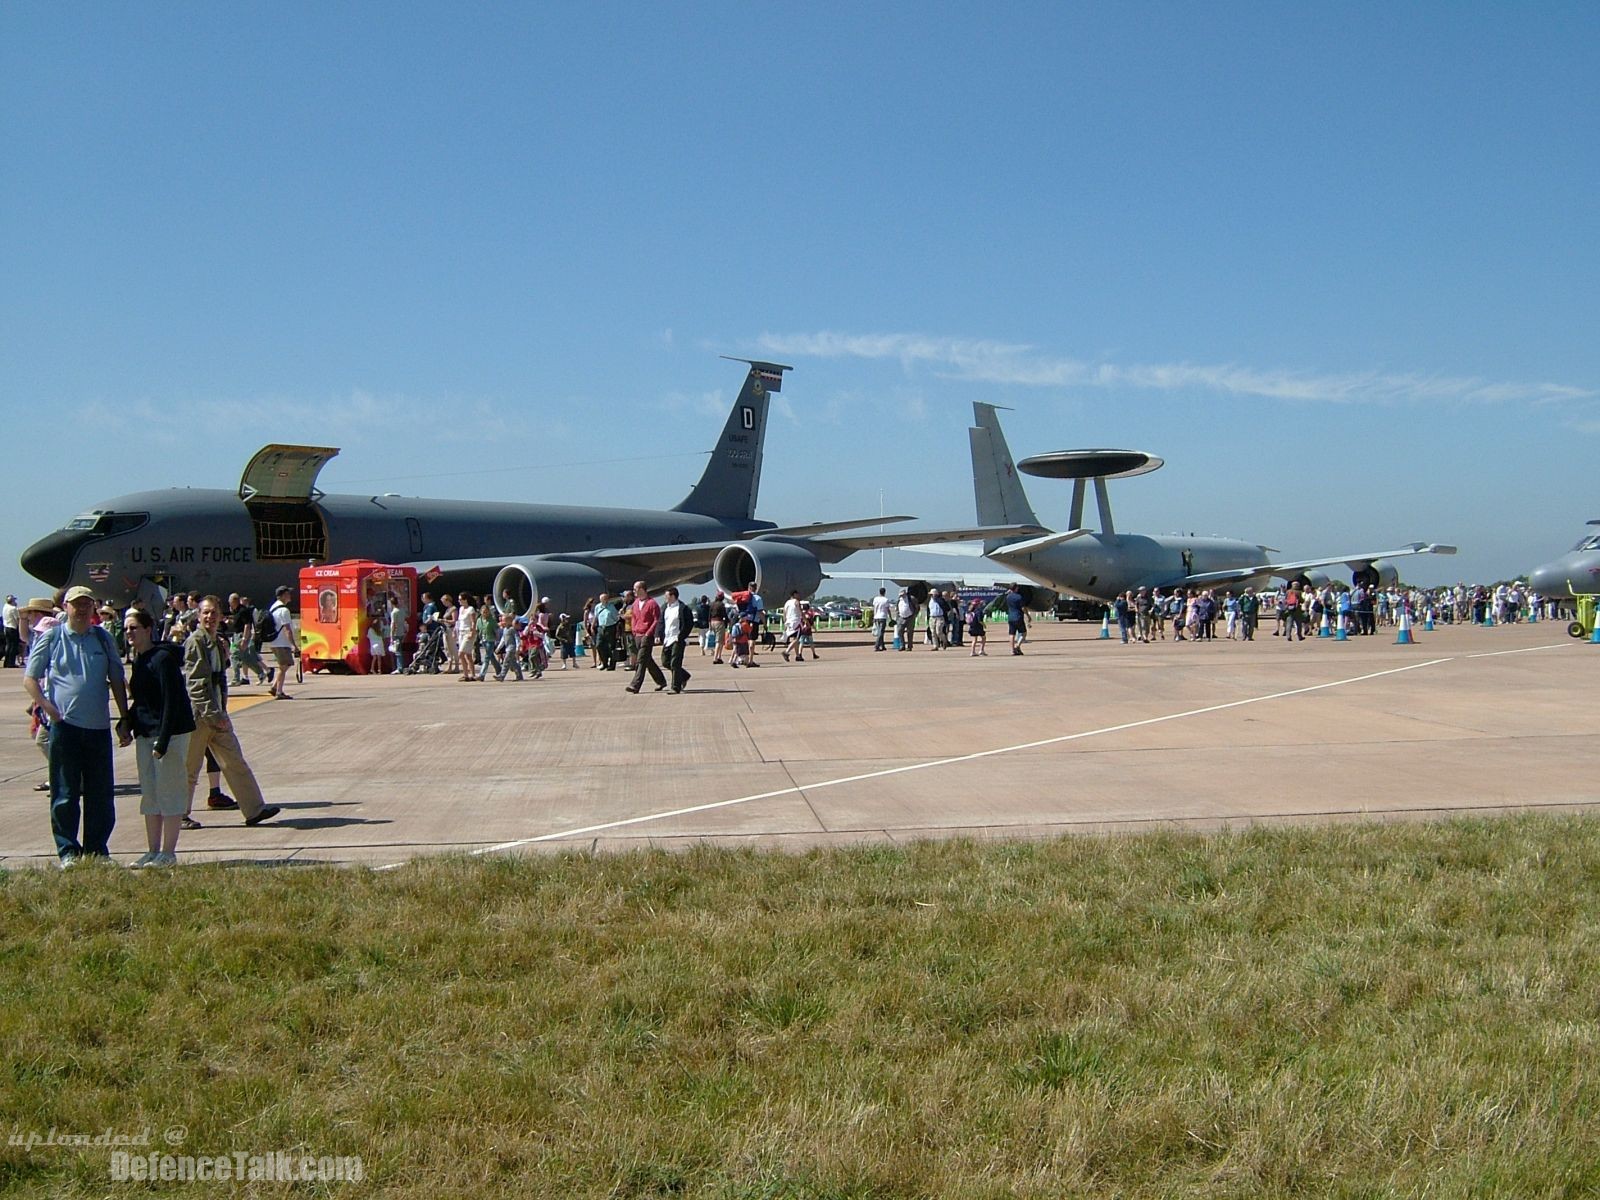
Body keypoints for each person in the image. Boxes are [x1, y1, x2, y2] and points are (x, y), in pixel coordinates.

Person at [25, 586, 131, 867]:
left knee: (100, 794)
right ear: (66, 607)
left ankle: (97, 849)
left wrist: (124, 717)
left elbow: (117, 680)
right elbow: (30, 678)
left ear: (93, 608)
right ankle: (68, 851)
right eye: (76, 604)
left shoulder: (103, 639)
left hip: (97, 729)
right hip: (65, 729)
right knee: (65, 793)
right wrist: (46, 707)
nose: (82, 609)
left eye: (87, 604)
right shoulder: (52, 637)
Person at [183, 596, 281, 827]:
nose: (210, 617)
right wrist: (214, 715)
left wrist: (220, 713)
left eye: (214, 612)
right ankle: (178, 814)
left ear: (221, 615)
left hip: (217, 714)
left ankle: (254, 809)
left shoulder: (216, 641)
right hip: (200, 716)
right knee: (189, 767)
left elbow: (219, 680)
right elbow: (196, 683)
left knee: (234, 761)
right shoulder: (195, 642)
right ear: (198, 616)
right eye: (205, 612)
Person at [123, 607, 195, 867]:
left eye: (134, 627)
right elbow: (142, 701)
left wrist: (163, 741)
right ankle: (152, 851)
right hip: (146, 733)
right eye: (126, 628)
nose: (129, 632)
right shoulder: (139, 660)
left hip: (170, 735)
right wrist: (127, 723)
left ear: (147, 630)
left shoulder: (163, 659)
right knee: (150, 794)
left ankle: (169, 852)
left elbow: (171, 701)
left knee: (170, 792)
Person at [625, 580, 666, 693]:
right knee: (648, 660)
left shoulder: (652, 603)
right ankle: (661, 681)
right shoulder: (635, 603)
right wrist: (634, 629)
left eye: (635, 589)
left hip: (647, 635)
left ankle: (635, 685)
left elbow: (656, 620)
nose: (634, 591)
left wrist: (649, 633)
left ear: (642, 589)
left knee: (641, 660)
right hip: (637, 634)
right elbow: (634, 617)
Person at [263, 585, 296, 699]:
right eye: (288, 594)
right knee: (284, 667)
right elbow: (287, 629)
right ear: (283, 595)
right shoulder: (284, 610)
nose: (290, 596)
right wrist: (294, 645)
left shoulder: (273, 607)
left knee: (285, 665)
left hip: (274, 641)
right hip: (282, 642)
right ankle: (279, 692)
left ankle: (275, 687)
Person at [660, 586, 694, 693]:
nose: (665, 598)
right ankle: (684, 675)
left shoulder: (683, 608)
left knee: (675, 663)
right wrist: (658, 635)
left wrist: (681, 636)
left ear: (673, 596)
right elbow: (661, 622)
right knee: (665, 662)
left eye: (667, 596)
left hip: (677, 638)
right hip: (667, 638)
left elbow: (689, 624)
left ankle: (675, 687)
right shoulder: (665, 607)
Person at [594, 592, 621, 671]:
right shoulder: (598, 607)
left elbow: (616, 618)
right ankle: (604, 663)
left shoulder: (611, 607)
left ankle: (612, 665)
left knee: (610, 647)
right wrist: (593, 626)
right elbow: (596, 617)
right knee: (599, 645)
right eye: (602, 599)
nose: (604, 600)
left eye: (605, 599)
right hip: (601, 628)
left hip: (610, 627)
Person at [781, 590, 805, 663]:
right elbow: (801, 612)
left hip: (789, 622)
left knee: (795, 639)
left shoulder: (787, 603)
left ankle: (798, 655)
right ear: (794, 594)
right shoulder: (796, 602)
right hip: (796, 622)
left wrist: (785, 622)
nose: (799, 596)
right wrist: (806, 621)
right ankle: (786, 651)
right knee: (797, 639)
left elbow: (784, 613)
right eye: (797, 594)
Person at [1004, 584, 1027, 655]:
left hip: (1011, 617)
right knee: (1023, 633)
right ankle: (1017, 646)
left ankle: (1012, 650)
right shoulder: (1019, 597)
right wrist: (1028, 615)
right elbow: (1023, 608)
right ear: (1016, 588)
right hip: (1018, 617)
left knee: (1012, 634)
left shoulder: (1008, 597)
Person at [871, 587, 892, 652]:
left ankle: (882, 646)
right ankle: (876, 646)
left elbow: (874, 608)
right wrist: (890, 617)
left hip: (876, 616)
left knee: (880, 632)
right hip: (882, 617)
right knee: (881, 632)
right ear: (885, 592)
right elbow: (887, 609)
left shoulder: (875, 599)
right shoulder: (885, 600)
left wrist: (874, 617)